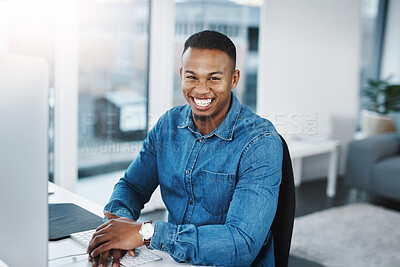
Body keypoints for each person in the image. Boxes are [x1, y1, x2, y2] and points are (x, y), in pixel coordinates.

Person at [87, 30, 283, 267]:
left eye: (213, 78)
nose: (201, 89)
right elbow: (132, 187)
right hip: (172, 260)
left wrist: (145, 234)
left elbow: (241, 244)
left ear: (234, 79)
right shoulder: (167, 125)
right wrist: (118, 227)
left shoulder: (260, 142)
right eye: (192, 77)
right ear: (181, 75)